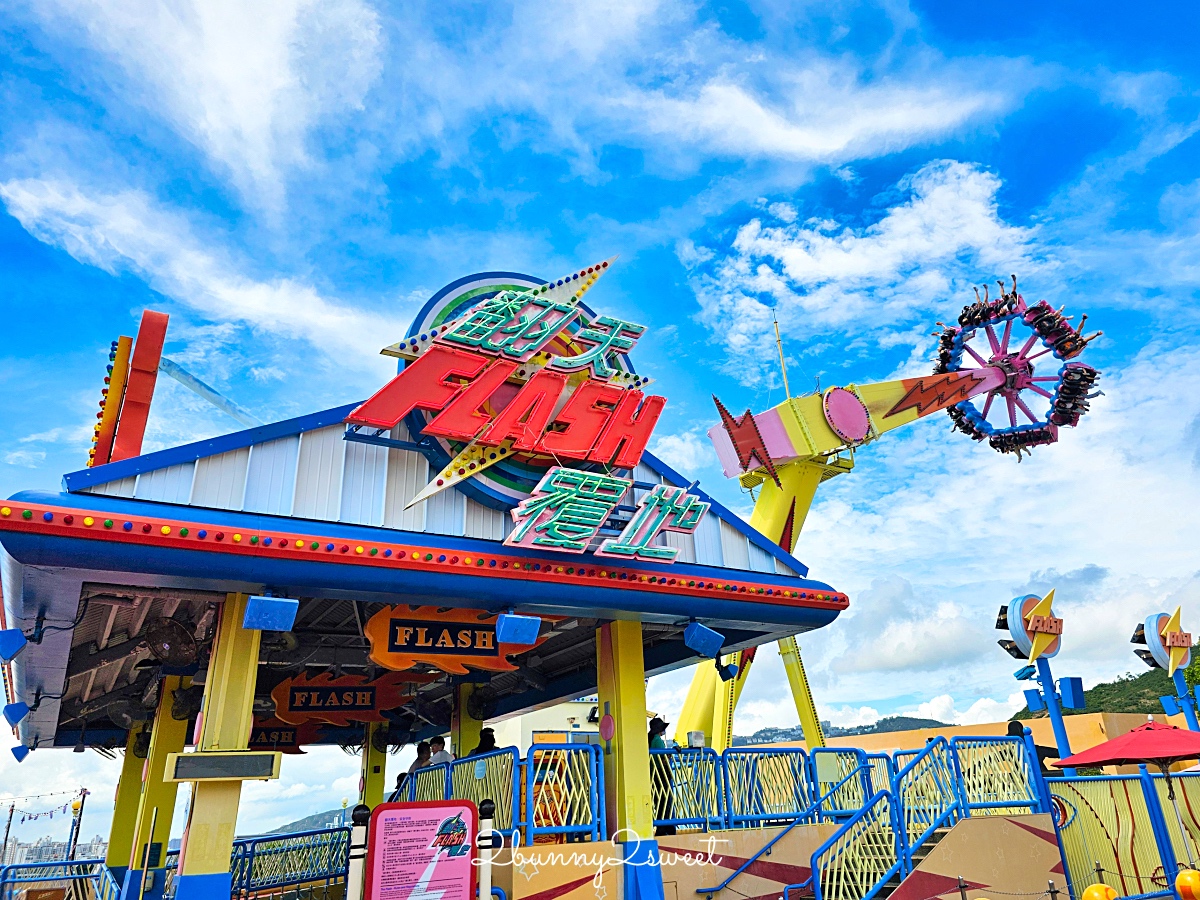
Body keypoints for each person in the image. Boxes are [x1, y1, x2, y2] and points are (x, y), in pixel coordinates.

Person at [648, 716, 676, 836]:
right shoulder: (657, 740)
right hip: (661, 773)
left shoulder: (648, 739)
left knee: (658, 800)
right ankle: (666, 828)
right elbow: (662, 758)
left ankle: (661, 826)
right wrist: (671, 754)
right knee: (665, 801)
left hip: (652, 773)